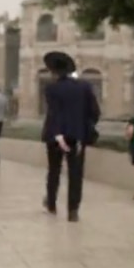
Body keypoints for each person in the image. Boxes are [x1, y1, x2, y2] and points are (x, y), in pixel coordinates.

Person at [40, 51, 101, 222]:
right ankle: (73, 211)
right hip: (77, 136)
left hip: (55, 135)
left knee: (54, 171)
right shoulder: (84, 87)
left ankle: (51, 204)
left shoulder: (51, 89)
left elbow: (53, 112)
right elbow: (94, 112)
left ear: (54, 71)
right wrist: (85, 126)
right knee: (75, 174)